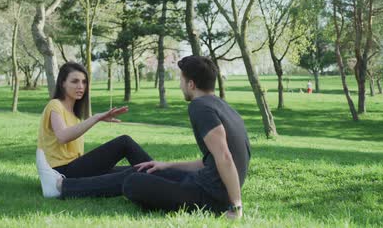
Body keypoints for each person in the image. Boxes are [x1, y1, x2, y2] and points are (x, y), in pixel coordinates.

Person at [121, 56, 251, 219]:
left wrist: (236, 206)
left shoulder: (200, 107)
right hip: (209, 185)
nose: (180, 85)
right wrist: (166, 165)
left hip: (210, 196)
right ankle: (79, 184)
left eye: (181, 80)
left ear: (191, 84)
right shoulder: (223, 106)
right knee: (150, 170)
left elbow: (224, 157)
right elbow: (211, 161)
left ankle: (78, 186)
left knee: (132, 183)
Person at [36, 62, 153, 199]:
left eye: (84, 82)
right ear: (62, 83)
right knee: (124, 142)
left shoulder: (74, 114)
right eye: (75, 81)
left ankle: (158, 178)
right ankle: (162, 178)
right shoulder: (55, 105)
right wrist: (96, 118)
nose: (81, 86)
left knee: (136, 170)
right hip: (60, 171)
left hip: (73, 169)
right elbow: (62, 136)